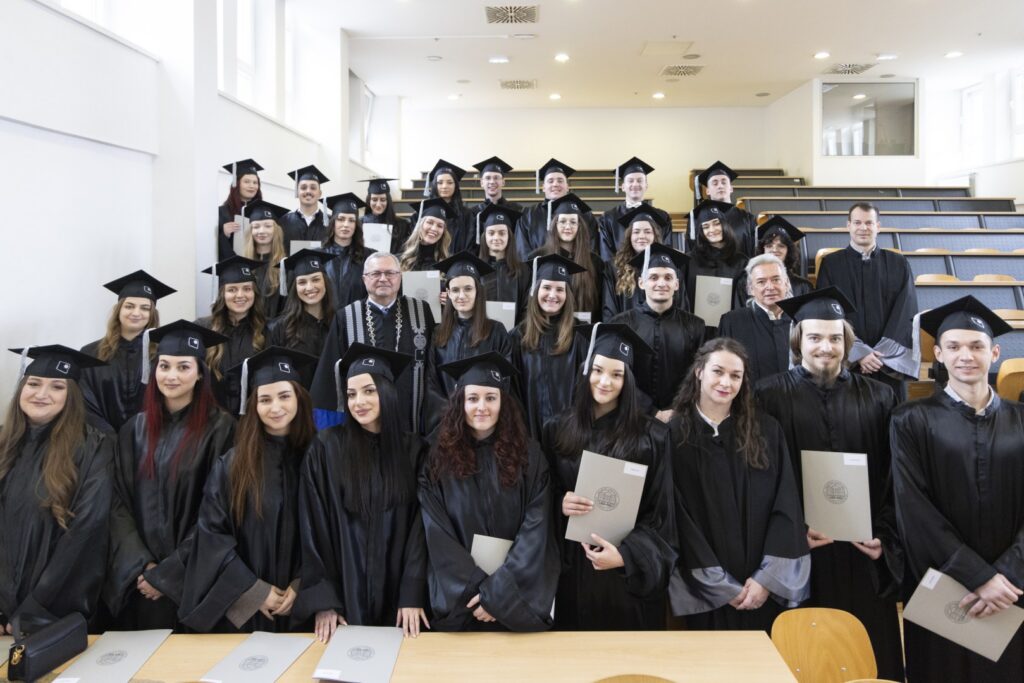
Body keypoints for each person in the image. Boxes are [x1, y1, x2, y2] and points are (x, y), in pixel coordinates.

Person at [756, 288, 905, 681]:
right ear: (798, 341)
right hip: (800, 549)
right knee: (801, 654)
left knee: (868, 653)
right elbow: (760, 477)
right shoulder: (767, 395)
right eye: (815, 337)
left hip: (861, 549)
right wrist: (790, 534)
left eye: (835, 338)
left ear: (847, 343)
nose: (826, 347)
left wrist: (884, 536)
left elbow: (894, 476)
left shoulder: (880, 397)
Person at [890, 296, 1024, 681]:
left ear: (994, 353)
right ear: (939, 354)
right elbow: (913, 509)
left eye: (977, 346)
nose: (966, 355)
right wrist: (979, 576)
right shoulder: (910, 419)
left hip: (1012, 592)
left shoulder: (1021, 421)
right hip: (943, 586)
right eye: (954, 346)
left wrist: (1008, 576)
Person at [668, 338, 809, 631]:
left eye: (736, 375)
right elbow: (676, 517)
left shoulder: (766, 431)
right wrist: (719, 585)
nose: (726, 382)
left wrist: (766, 579)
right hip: (706, 593)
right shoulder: (673, 435)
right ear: (699, 372)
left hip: (761, 589)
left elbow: (786, 505)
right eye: (718, 372)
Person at [541, 323, 676, 630]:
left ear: (628, 381)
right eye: (598, 370)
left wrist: (626, 556)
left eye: (617, 375)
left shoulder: (652, 437)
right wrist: (560, 502)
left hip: (626, 577)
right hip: (574, 570)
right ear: (586, 370)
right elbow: (541, 494)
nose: (605, 382)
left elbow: (662, 514)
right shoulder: (557, 428)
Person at [105, 320, 236, 630]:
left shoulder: (222, 429)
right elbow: (117, 504)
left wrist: (169, 573)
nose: (171, 375)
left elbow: (217, 510)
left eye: (183, 367)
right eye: (164, 366)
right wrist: (142, 565)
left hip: (193, 578)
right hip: (138, 581)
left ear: (200, 373)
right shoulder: (134, 430)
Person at [294, 344, 430, 641]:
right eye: (352, 394)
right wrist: (324, 601)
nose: (359, 402)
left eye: (369, 391)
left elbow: (421, 529)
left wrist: (412, 592)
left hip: (399, 601)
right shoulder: (326, 448)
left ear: (388, 391)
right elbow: (313, 526)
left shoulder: (414, 451)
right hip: (343, 600)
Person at [179, 347, 317, 633]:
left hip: (304, 609)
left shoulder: (319, 458)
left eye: (284, 396)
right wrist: (254, 591)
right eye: (265, 399)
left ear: (299, 399)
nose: (275, 408)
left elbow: (332, 532)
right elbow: (211, 536)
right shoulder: (232, 466)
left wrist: (304, 582)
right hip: (248, 609)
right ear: (253, 405)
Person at [419, 353, 559, 631]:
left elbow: (536, 531)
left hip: (515, 602)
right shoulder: (437, 460)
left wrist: (498, 595)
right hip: (463, 603)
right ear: (460, 402)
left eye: (491, 398)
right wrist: (478, 593)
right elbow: (437, 534)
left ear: (503, 403)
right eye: (472, 398)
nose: (481, 407)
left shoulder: (529, 457)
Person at [0, 346, 113, 635]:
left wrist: (33, 610)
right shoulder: (3, 443)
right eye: (34, 384)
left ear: (71, 395)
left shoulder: (93, 446)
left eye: (57, 386)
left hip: (53, 613)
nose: (42, 394)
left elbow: (87, 530)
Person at [309, 252, 435, 432]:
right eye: (375, 273)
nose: (383, 279)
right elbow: (331, 377)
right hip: (363, 423)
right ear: (364, 279)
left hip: (412, 420)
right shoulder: (346, 317)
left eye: (390, 273)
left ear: (400, 277)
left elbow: (433, 367)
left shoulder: (421, 311)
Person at [816, 202, 919, 399]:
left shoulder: (898, 263)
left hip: (887, 365)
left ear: (878, 226)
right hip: (848, 363)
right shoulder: (831, 264)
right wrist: (858, 352)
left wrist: (880, 355)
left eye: (869, 223)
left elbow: (906, 311)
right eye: (857, 222)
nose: (863, 228)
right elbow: (827, 311)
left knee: (891, 412)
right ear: (848, 226)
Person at [611, 244, 705, 421]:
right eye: (653, 277)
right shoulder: (621, 324)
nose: (661, 283)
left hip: (680, 416)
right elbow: (616, 373)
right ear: (641, 283)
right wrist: (651, 411)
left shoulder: (696, 326)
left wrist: (678, 409)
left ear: (676, 284)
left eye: (668, 277)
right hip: (633, 416)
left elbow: (699, 375)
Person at [424, 252, 512, 434]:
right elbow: (431, 382)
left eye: (468, 289)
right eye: (455, 290)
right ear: (448, 293)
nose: (461, 295)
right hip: (447, 422)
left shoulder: (496, 331)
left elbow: (504, 380)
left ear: (477, 291)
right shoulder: (439, 333)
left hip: (484, 421)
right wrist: (452, 413)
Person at [80, 270, 175, 433]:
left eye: (145, 308)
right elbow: (85, 403)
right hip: (101, 439)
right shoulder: (90, 354)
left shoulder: (163, 355)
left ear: (152, 314)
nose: (136, 313)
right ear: (119, 310)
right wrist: (108, 437)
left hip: (151, 437)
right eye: (129, 306)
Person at [510, 254, 589, 438]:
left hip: (571, 435)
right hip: (529, 435)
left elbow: (585, 390)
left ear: (567, 294)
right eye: (546, 287)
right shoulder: (518, 337)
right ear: (535, 290)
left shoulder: (581, 334)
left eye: (560, 289)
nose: (553, 295)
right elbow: (513, 392)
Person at [197, 255, 268, 416]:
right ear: (222, 294)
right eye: (232, 290)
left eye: (247, 289)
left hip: (253, 418)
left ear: (255, 293)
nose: (240, 295)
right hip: (212, 418)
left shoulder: (267, 330)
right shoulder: (203, 329)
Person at [718, 255, 795, 384]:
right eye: (761, 282)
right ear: (750, 289)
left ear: (786, 284)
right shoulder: (732, 322)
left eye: (776, 280)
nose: (770, 287)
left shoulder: (801, 319)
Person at [531, 193, 605, 323]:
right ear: (555, 224)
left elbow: (599, 302)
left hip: (583, 327)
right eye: (563, 221)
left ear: (579, 226)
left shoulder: (594, 261)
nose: (567, 227)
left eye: (573, 222)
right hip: (547, 325)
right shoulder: (538, 258)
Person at [267, 249, 337, 380]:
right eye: (302, 282)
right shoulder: (280, 328)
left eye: (316, 280)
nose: (309, 287)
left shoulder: (339, 323)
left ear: (325, 282)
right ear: (295, 287)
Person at [687, 199, 749, 333]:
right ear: (700, 231)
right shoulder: (689, 261)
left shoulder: (741, 262)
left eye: (716, 223)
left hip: (730, 329)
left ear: (725, 225)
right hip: (697, 330)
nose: (712, 230)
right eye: (706, 226)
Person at [515, 158, 598, 259]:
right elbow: (522, 250)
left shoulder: (584, 214)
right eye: (550, 181)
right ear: (543, 187)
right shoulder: (528, 215)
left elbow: (591, 248)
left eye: (560, 181)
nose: (555, 184)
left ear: (567, 187)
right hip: (536, 268)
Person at [603, 206, 673, 320]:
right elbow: (609, 309)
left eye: (647, 231)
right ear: (629, 236)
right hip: (624, 329)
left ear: (655, 236)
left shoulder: (667, 267)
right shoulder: (614, 268)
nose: (641, 236)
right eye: (636, 232)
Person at [597, 157, 671, 261]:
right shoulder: (608, 218)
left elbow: (665, 252)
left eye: (640, 181)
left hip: (652, 269)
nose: (635, 184)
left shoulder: (662, 217)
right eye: (630, 181)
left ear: (646, 186)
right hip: (619, 270)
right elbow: (607, 257)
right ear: (623, 187)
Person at [731, 217, 812, 309]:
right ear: (762, 250)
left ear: (788, 251)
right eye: (769, 246)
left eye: (781, 246)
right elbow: (740, 313)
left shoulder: (803, 286)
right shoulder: (745, 283)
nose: (774, 250)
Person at [692, 160, 757, 257]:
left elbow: (753, 251)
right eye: (715, 183)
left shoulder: (747, 218)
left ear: (731, 188)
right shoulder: (697, 218)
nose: (720, 186)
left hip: (741, 266)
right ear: (707, 191)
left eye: (724, 182)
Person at [476, 203, 529, 322]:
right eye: (491, 233)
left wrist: (518, 331)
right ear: (484, 237)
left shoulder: (523, 271)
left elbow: (526, 308)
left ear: (509, 236)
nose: (496, 238)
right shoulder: (477, 270)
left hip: (515, 331)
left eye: (502, 233)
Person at [321, 192, 373, 310]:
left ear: (356, 225)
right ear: (333, 222)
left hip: (359, 317)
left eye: (351, 220)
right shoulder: (319, 256)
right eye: (341, 219)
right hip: (327, 319)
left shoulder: (369, 257)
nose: (346, 225)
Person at [409, 160, 472, 253]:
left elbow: (469, 245)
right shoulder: (420, 213)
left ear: (456, 186)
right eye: (440, 182)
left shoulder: (466, 215)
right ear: (434, 185)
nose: (444, 186)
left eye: (450, 182)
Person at [241, 200, 289, 317]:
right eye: (256, 227)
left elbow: (288, 308)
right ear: (251, 231)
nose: (261, 231)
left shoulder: (286, 267)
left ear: (276, 230)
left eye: (268, 226)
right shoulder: (242, 266)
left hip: (276, 326)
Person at [218, 158, 263, 261]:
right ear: (236, 184)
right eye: (246, 181)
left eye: (255, 182)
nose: (252, 186)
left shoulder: (262, 212)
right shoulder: (222, 212)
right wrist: (223, 233)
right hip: (232, 266)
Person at [468, 156, 524, 234]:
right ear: (481, 183)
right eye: (488, 178)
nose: (492, 182)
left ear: (503, 182)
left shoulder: (516, 210)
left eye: (496, 178)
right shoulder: (474, 213)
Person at [280, 164, 330, 248]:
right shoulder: (284, 221)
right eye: (303, 188)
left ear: (320, 193)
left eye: (313, 188)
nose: (308, 191)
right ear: (297, 192)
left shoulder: (330, 223)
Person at [399, 197, 453, 272]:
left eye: (440, 226)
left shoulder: (448, 263)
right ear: (420, 225)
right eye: (430, 222)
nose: (434, 229)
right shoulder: (400, 260)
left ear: (443, 231)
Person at [359, 177, 411, 254]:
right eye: (374, 200)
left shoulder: (402, 225)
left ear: (388, 201)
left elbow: (403, 252)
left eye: (383, 200)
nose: (378, 204)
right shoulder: (360, 223)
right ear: (369, 200)